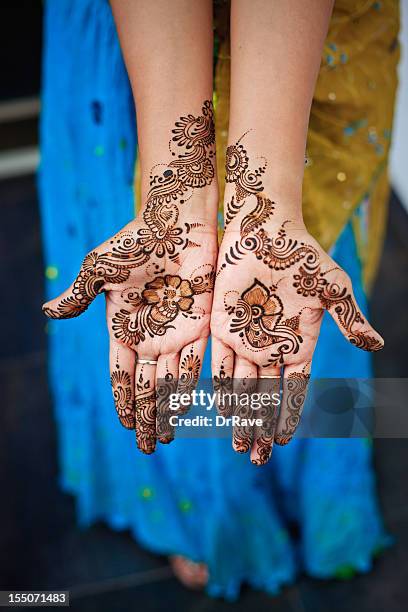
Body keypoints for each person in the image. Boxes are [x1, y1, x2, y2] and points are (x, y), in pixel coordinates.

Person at [39, 0, 398, 598]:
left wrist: (266, 206)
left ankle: (289, 489)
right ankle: (196, 509)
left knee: (290, 301)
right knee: (172, 327)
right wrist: (172, 197)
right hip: (137, 39)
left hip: (310, 41)